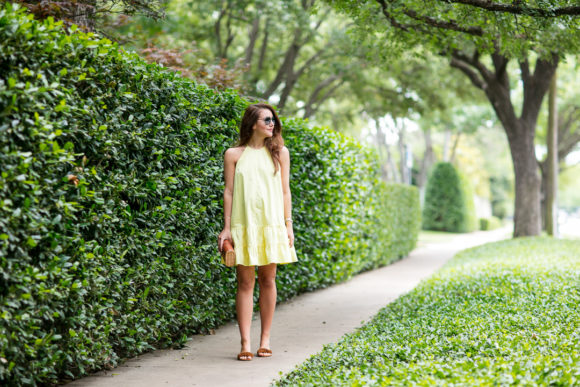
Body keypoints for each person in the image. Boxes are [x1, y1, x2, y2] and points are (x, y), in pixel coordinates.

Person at [218, 103, 298, 361]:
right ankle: (245, 342)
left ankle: (265, 339)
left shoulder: (280, 153)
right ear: (253, 123)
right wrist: (227, 227)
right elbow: (228, 192)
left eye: (273, 119)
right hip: (244, 225)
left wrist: (288, 224)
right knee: (244, 283)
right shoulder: (233, 154)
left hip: (271, 224)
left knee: (268, 280)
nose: (272, 123)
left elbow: (286, 191)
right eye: (266, 119)